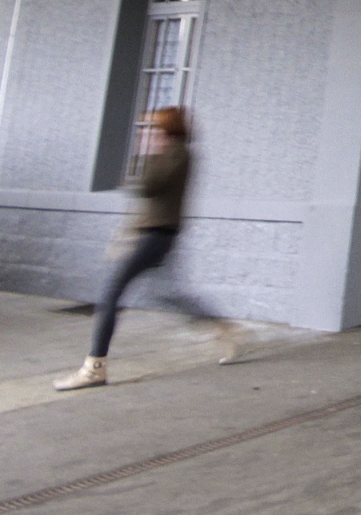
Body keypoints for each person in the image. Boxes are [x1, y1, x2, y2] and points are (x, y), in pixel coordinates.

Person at [55, 107, 237, 391]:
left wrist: (146, 152)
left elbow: (148, 186)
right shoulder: (173, 153)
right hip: (153, 234)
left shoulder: (179, 154)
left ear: (167, 129)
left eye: (154, 127)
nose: (149, 132)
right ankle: (220, 325)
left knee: (111, 293)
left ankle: (94, 367)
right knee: (165, 293)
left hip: (157, 235)